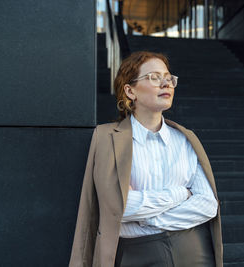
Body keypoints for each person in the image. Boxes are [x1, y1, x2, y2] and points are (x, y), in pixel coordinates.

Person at [69, 51, 223, 267]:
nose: (166, 84)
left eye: (169, 78)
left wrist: (147, 217)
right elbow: (117, 206)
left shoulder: (186, 140)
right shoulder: (106, 138)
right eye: (154, 77)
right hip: (135, 254)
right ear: (130, 91)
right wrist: (180, 194)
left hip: (193, 252)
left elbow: (208, 205)